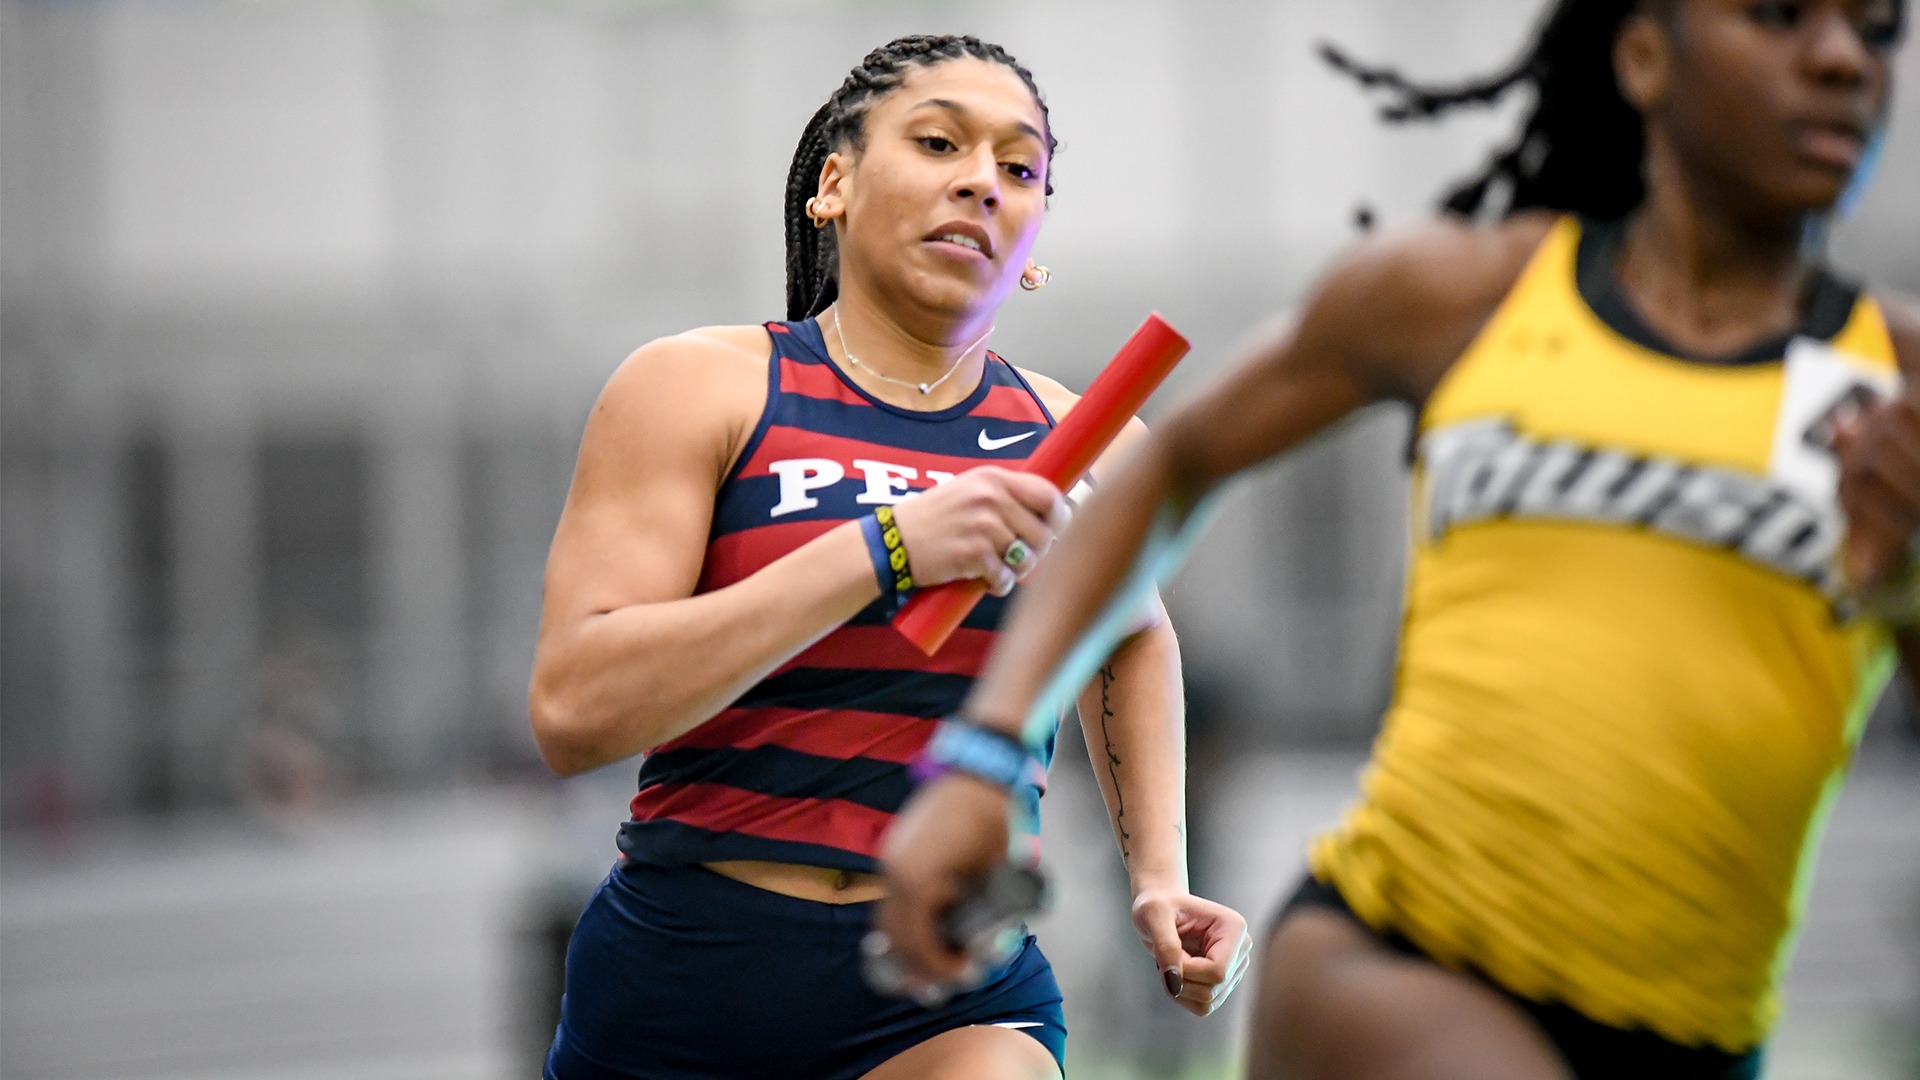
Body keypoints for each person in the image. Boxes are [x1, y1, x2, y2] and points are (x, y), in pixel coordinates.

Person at [876, 1, 1918, 1077]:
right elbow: (1170, 469)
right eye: (1782, 17)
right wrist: (987, 749)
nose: (1842, 60)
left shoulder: (1899, 385)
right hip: (1400, 967)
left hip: (1703, 1030)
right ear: (1645, 55)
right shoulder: (1467, 297)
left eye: (1879, 32)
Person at [528, 34, 1247, 1080]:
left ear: (1036, 237)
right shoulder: (702, 387)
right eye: (939, 142)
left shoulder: (1079, 439)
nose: (979, 182)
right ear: (835, 184)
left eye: (1018, 167)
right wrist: (886, 549)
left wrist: (1159, 876)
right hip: (684, 976)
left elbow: (1131, 637)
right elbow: (572, 712)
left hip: (955, 989)